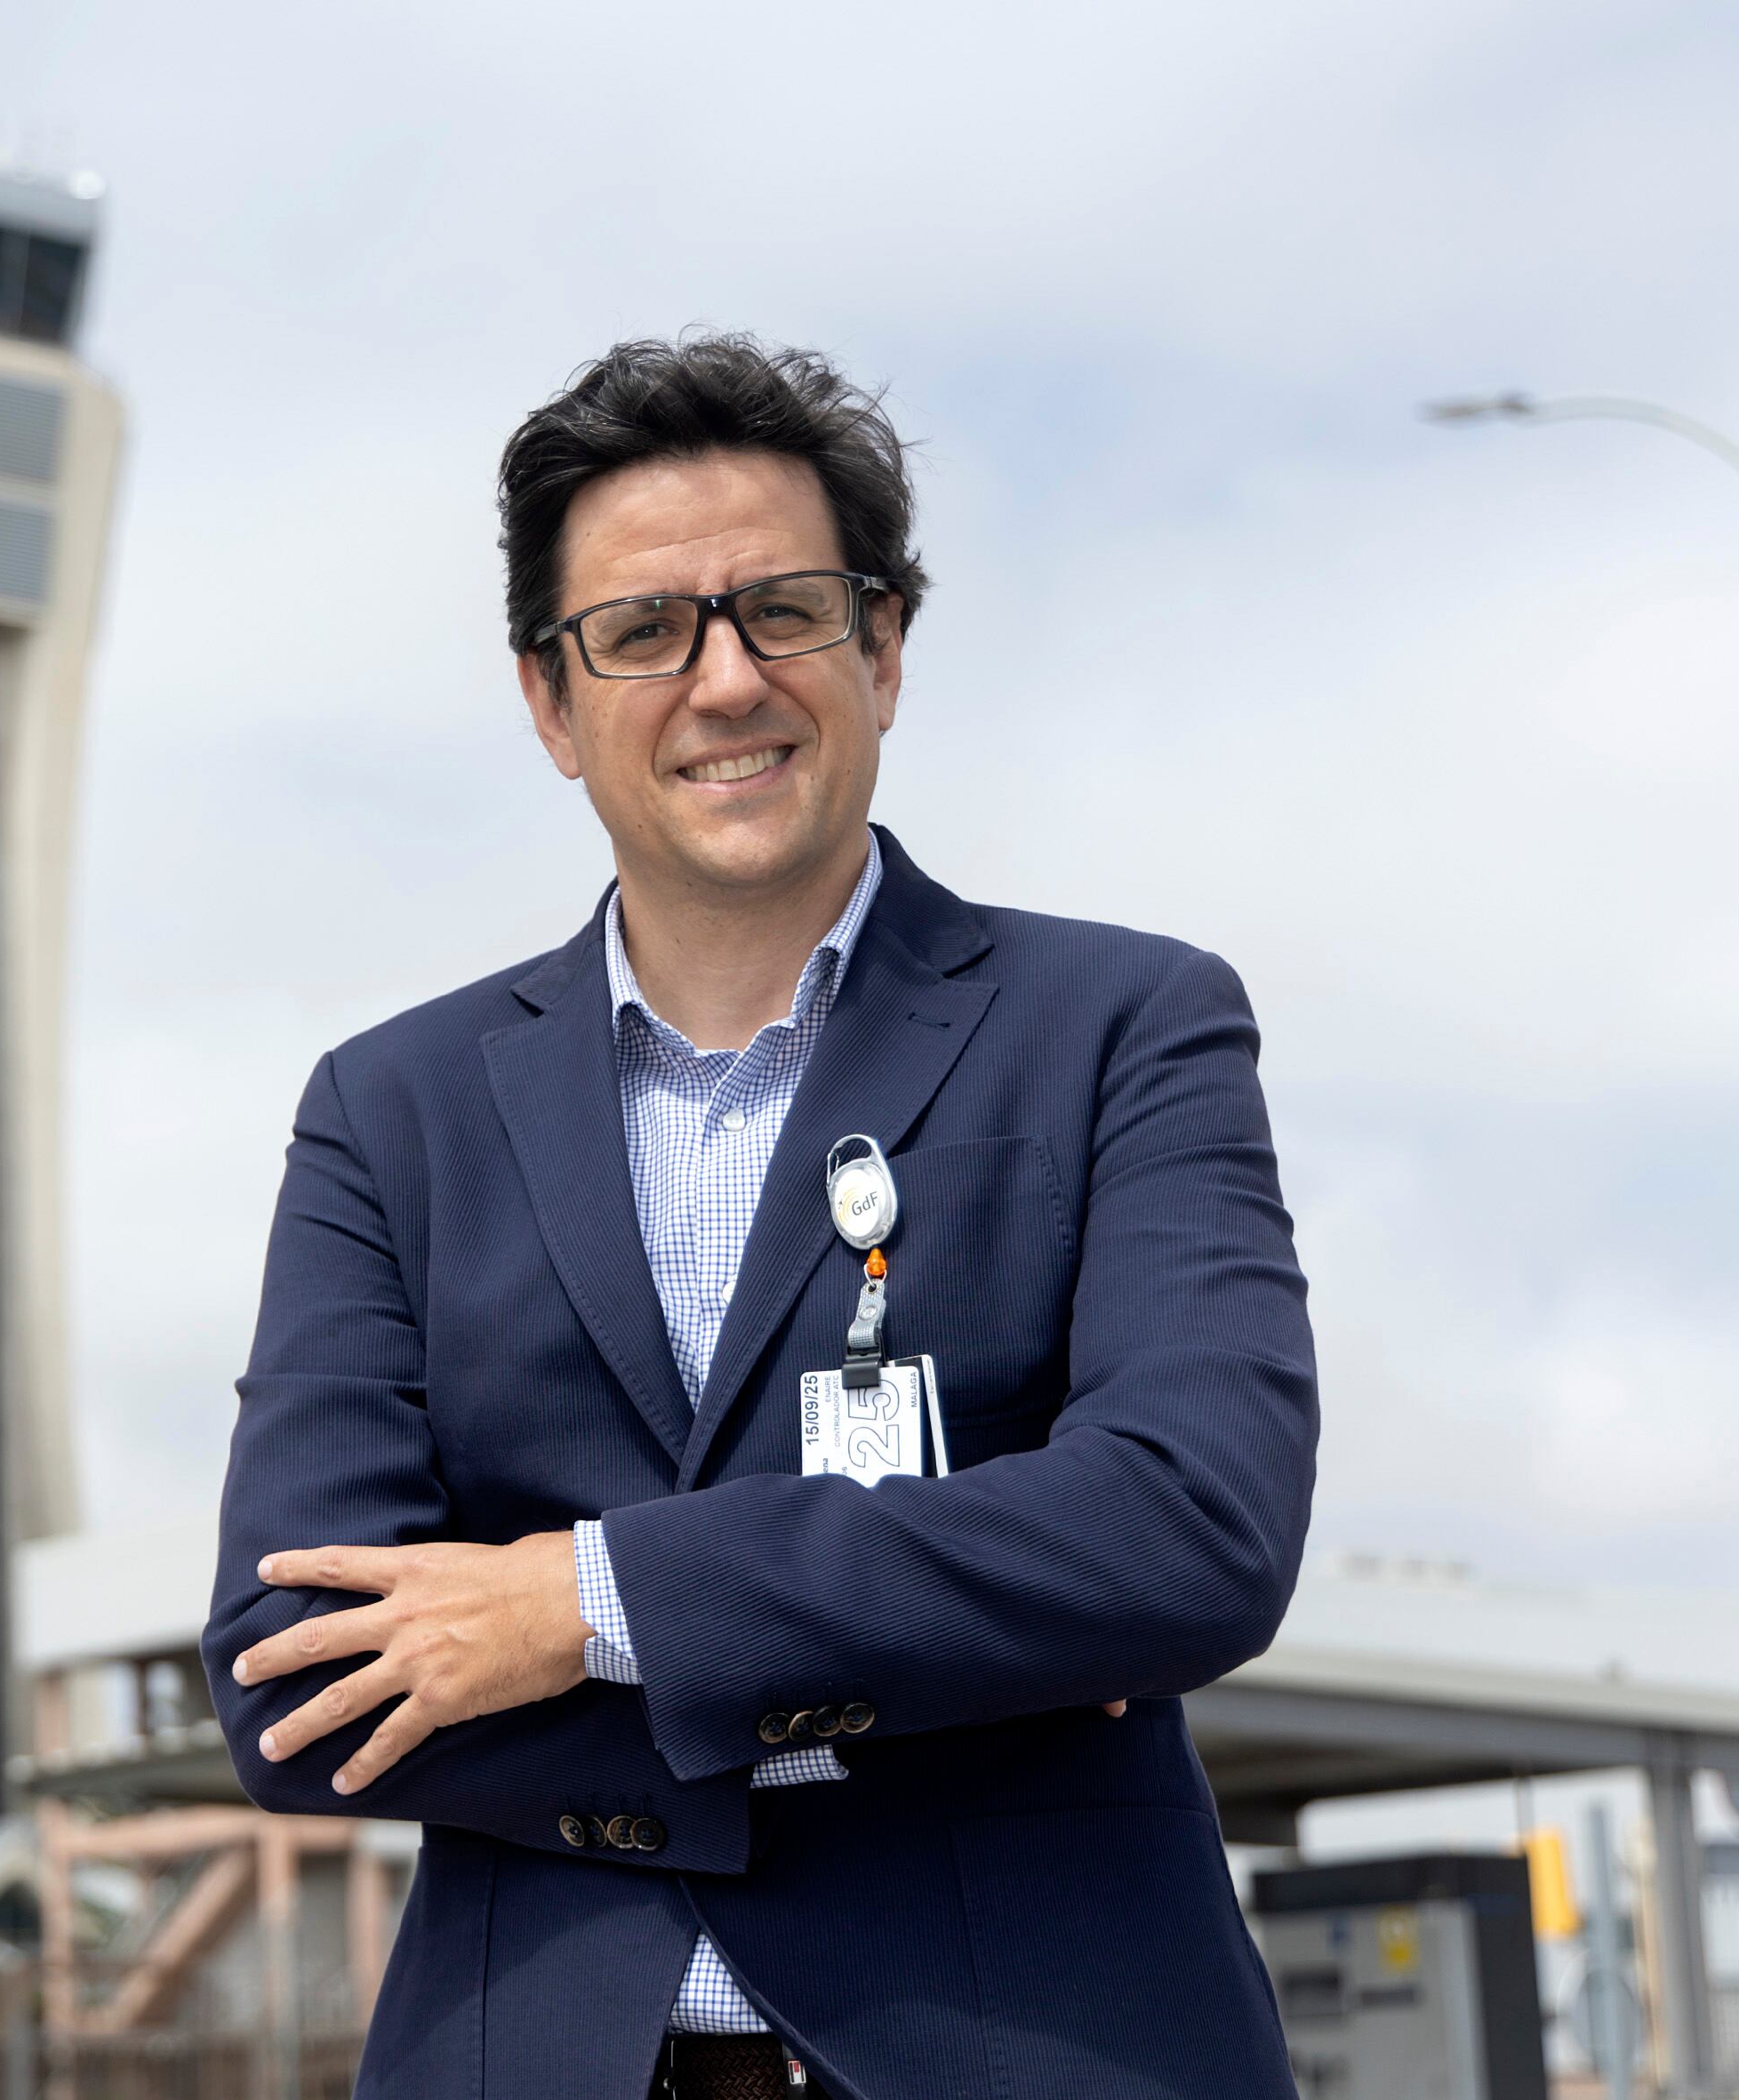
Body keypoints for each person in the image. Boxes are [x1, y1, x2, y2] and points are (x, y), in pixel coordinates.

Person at [200, 334, 1318, 2099]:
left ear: (878, 648)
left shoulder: (1123, 1025)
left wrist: (582, 1601)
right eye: (642, 632)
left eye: (781, 611)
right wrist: (975, 1651)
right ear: (550, 704)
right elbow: (293, 1680)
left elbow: (1189, 1529)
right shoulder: (389, 1111)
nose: (721, 679)